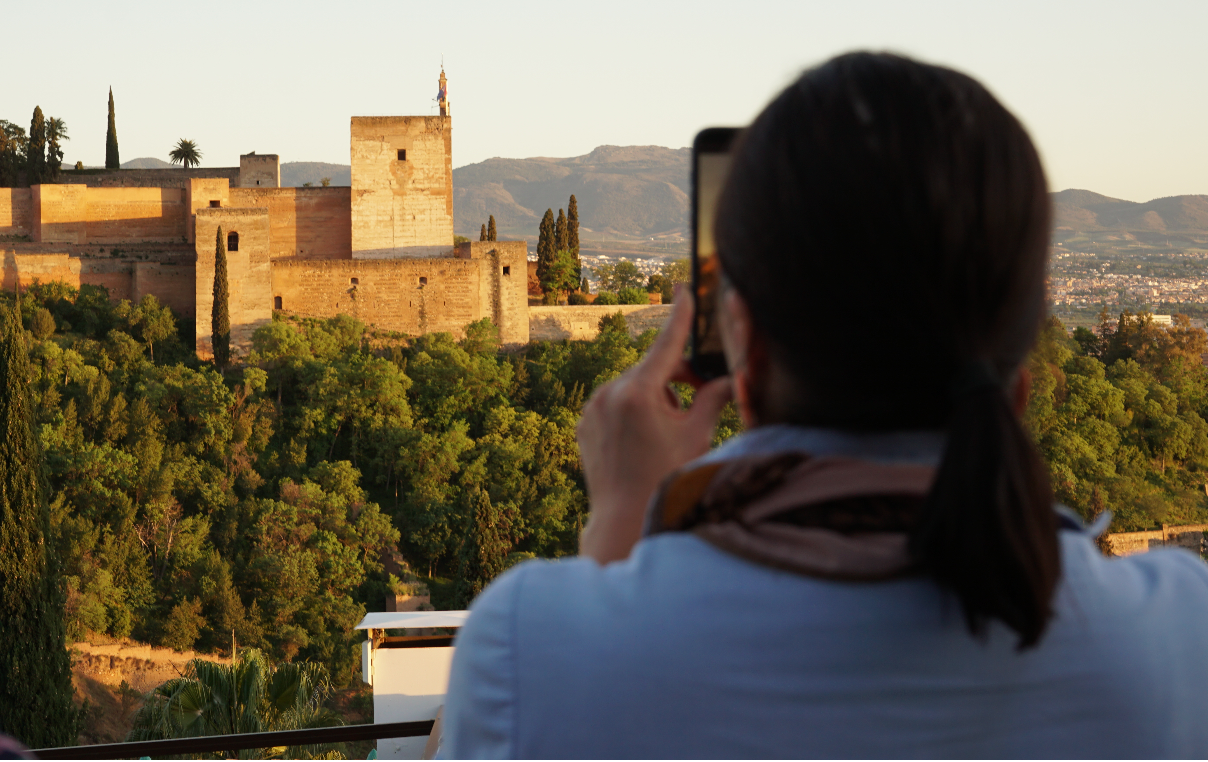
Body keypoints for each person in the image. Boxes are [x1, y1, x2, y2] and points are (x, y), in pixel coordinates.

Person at [440, 52, 1208, 758]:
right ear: (1018, 388)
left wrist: (621, 531)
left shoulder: (527, 649)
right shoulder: (1178, 641)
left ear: (745, 351)